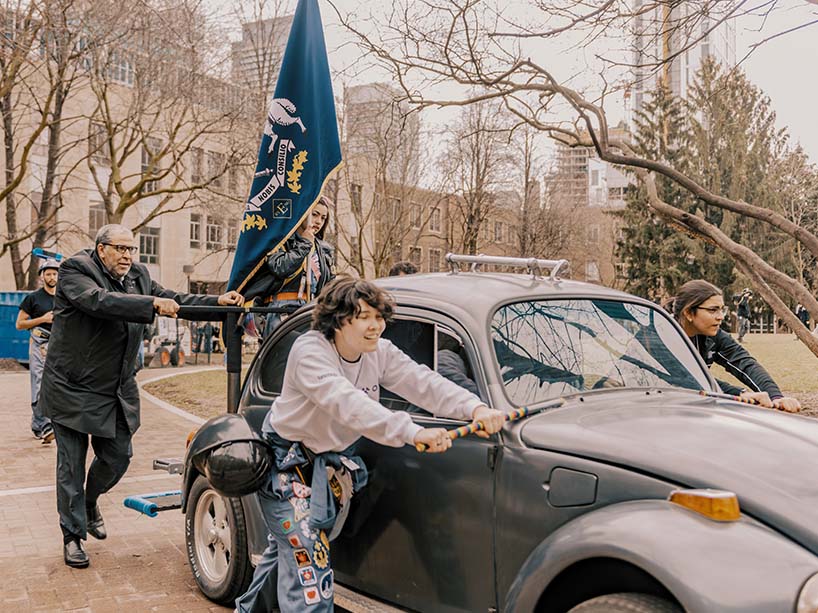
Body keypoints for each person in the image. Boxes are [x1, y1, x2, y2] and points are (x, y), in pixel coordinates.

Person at [235, 276, 504, 613]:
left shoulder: (378, 352)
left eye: (378, 317)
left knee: (287, 549)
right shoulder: (310, 352)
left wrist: (474, 407)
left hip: (326, 463)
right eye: (363, 316)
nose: (375, 325)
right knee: (309, 564)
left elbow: (422, 382)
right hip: (286, 464)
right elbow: (348, 404)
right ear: (337, 318)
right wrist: (412, 432)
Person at [39, 224, 244, 569]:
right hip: (71, 387)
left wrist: (218, 303)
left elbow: (175, 301)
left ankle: (89, 503)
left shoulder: (138, 274)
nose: (127, 256)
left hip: (115, 388)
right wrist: (152, 304)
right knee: (70, 466)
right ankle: (72, 536)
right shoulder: (75, 270)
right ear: (101, 249)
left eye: (131, 249)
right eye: (120, 249)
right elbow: (100, 302)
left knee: (118, 456)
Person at [668, 280, 801, 413]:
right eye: (713, 310)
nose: (720, 317)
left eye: (721, 310)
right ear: (688, 313)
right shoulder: (658, 336)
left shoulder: (712, 334)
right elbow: (685, 377)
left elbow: (745, 362)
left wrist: (775, 396)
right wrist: (739, 393)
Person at [251, 197, 334, 336]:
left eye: (323, 218)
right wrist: (304, 245)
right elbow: (281, 267)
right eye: (314, 214)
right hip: (281, 310)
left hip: (310, 310)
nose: (318, 221)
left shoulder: (323, 249)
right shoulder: (280, 240)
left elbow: (328, 285)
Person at [16, 258, 61, 443]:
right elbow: (20, 324)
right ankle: (44, 425)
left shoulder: (64, 298)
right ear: (42, 276)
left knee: (57, 384)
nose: (51, 277)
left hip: (59, 344)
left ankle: (38, 425)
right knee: (40, 381)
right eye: (48, 273)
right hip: (39, 342)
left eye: (55, 273)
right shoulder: (33, 298)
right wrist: (42, 319)